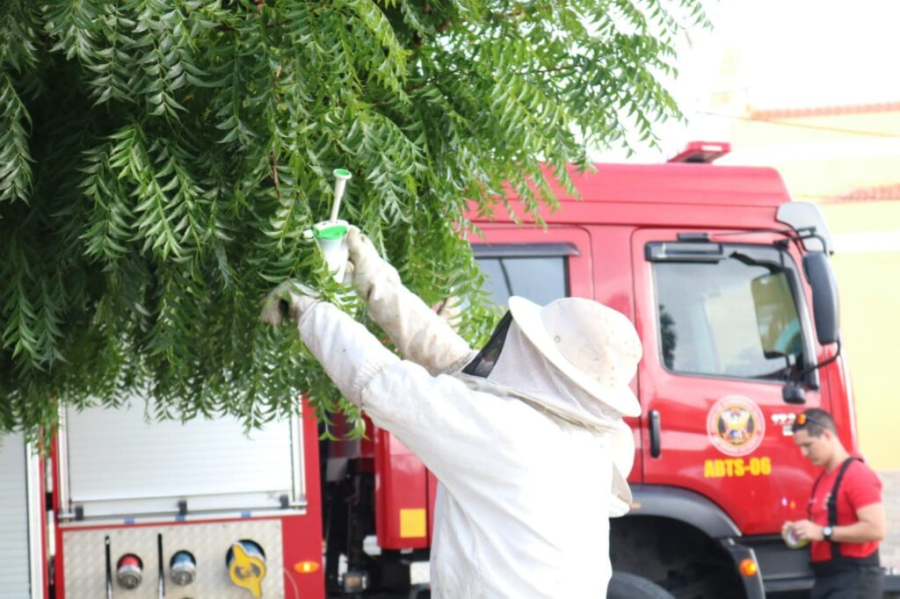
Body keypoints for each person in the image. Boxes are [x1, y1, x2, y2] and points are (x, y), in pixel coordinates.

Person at [260, 228, 642, 598]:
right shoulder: (588, 445)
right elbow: (458, 362)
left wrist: (310, 310)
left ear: (546, 362)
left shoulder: (510, 431)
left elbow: (385, 384)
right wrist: (376, 281)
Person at [782, 408, 886, 598]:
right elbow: (825, 529)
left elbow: (876, 529)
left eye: (808, 445)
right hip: (827, 579)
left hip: (855, 580)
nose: (804, 453)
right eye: (800, 447)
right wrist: (800, 533)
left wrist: (823, 532)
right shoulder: (822, 479)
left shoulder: (857, 475)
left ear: (827, 435)